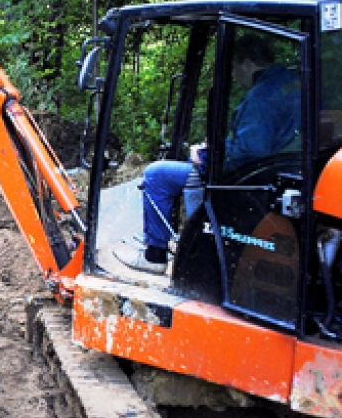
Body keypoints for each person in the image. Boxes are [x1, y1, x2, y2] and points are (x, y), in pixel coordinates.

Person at [116, 32, 301, 275]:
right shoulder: (292, 83)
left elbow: (250, 152)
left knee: (156, 175)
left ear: (247, 63)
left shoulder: (262, 97)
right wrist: (216, 146)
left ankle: (155, 255)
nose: (233, 75)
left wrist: (205, 157)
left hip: (250, 182)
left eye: (234, 67)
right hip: (282, 171)